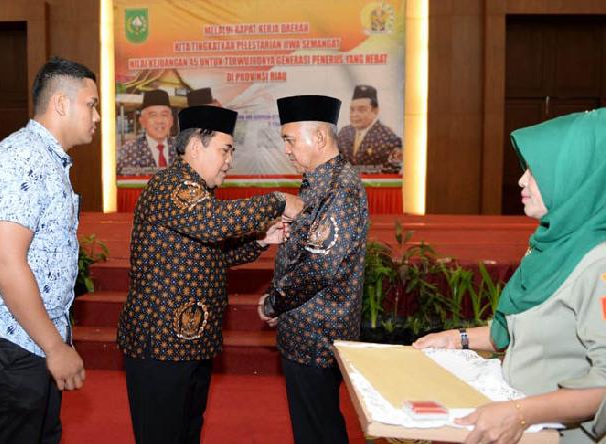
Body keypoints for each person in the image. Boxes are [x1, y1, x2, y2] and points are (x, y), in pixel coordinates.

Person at [414, 109, 606, 443]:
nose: (521, 180)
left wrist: (519, 413)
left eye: (536, 171)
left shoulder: (597, 263)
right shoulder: (551, 246)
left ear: (576, 178)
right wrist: (456, 338)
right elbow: (517, 334)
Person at [116, 104, 304, 444]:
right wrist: (277, 201)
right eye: (225, 150)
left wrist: (261, 239)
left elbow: (214, 253)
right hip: (161, 346)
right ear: (194, 147)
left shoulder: (198, 194)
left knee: (187, 433)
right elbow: (214, 222)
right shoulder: (172, 185)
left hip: (191, 343)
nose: (229, 160)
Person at [0, 56, 99, 443]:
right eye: (91, 105)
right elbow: (6, 262)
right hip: (11, 344)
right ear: (61, 103)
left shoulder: (47, 159)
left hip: (29, 341)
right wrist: (54, 347)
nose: (97, 117)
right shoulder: (22, 158)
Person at [258, 95, 369, 444]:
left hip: (317, 334)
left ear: (319, 137)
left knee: (319, 430)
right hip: (306, 328)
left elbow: (320, 266)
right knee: (314, 427)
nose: (286, 150)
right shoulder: (320, 181)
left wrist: (275, 302)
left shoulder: (340, 188)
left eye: (290, 140)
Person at [337, 84, 402, 173]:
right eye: (352, 110)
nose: (354, 114)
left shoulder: (388, 137)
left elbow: (391, 172)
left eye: (361, 110)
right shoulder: (344, 132)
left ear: (375, 111)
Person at [117, 89, 176, 176]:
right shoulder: (128, 152)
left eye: (164, 115)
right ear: (142, 121)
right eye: (153, 115)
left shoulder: (183, 150)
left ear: (171, 121)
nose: (159, 121)